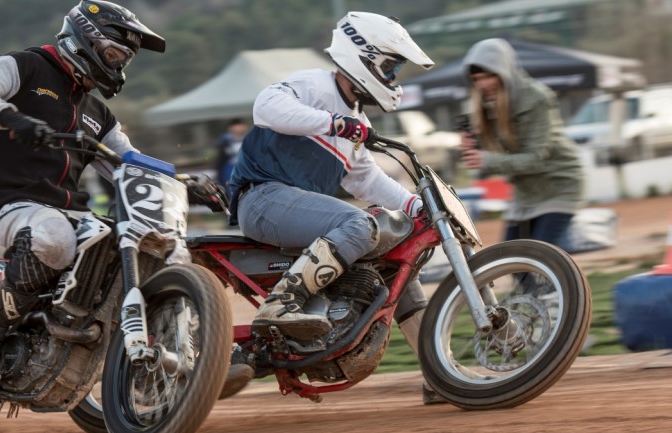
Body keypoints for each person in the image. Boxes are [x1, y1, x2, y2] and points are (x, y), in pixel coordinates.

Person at [224, 12, 445, 404]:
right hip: (262, 200)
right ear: (366, 57)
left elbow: (367, 180)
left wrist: (418, 204)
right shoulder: (315, 85)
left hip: (295, 214)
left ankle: (440, 373)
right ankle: (281, 305)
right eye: (390, 68)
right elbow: (266, 107)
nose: (392, 78)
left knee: (398, 262)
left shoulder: (355, 122)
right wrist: (335, 123)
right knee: (360, 223)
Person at [0, 0, 168, 387]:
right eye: (114, 55)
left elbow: (130, 161)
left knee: (126, 245)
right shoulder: (25, 66)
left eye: (125, 60)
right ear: (87, 39)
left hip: (68, 214)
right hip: (10, 207)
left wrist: (187, 183)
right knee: (54, 237)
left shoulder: (98, 113)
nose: (118, 66)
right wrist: (13, 118)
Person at [459, 38, 584, 255]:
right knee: (511, 261)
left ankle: (559, 278)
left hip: (558, 185)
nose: (483, 84)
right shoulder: (486, 106)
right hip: (525, 193)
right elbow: (502, 154)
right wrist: (474, 148)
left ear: (505, 71)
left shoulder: (537, 98)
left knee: (539, 259)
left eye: (489, 76)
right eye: (477, 79)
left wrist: (487, 159)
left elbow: (535, 159)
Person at [215, 118, 248, 195]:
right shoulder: (225, 141)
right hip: (230, 169)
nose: (239, 128)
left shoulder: (249, 138)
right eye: (236, 126)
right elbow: (221, 159)